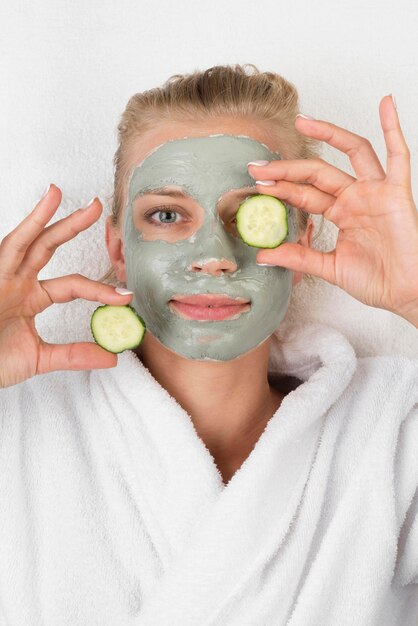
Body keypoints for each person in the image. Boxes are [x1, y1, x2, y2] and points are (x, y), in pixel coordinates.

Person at [0, 64, 417, 625]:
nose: (214, 256)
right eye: (167, 214)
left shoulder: (391, 431)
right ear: (118, 245)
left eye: (249, 213)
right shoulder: (20, 426)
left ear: (303, 237)